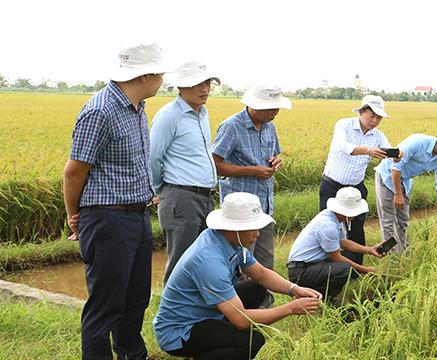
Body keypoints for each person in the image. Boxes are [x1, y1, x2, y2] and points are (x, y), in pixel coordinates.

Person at [62, 43, 176, 360]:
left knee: (136, 297)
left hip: (136, 215)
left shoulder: (138, 109)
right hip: (107, 219)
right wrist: (74, 215)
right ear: (144, 76)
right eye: (160, 74)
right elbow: (74, 171)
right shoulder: (100, 111)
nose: (163, 80)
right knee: (105, 305)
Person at [153, 192, 322, 360]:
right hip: (180, 332)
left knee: (256, 288)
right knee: (252, 342)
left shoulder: (228, 242)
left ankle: (218, 339)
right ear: (233, 228)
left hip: (204, 313)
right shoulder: (209, 261)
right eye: (252, 228)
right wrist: (290, 309)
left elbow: (260, 273)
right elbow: (241, 320)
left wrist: (294, 289)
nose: (258, 234)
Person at [149, 61, 220, 281]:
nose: (205, 89)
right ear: (181, 87)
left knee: (204, 258)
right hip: (180, 197)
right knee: (181, 261)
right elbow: (153, 157)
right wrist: (161, 189)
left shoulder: (203, 113)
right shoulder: (169, 115)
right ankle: (172, 313)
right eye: (198, 84)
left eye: (207, 82)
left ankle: (197, 312)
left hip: (204, 196)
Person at [211, 86, 292, 270]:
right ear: (254, 106)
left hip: (264, 207)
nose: (276, 113)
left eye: (277, 108)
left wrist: (276, 162)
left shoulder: (270, 127)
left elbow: (274, 155)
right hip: (240, 213)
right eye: (271, 108)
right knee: (242, 265)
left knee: (265, 263)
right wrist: (252, 171)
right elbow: (214, 165)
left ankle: (265, 299)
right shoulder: (231, 126)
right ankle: (239, 300)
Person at [319, 95, 393, 265]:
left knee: (357, 226)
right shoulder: (344, 125)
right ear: (361, 112)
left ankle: (356, 267)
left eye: (378, 117)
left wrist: (396, 155)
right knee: (329, 225)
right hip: (332, 185)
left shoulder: (378, 135)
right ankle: (327, 266)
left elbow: (388, 150)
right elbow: (342, 146)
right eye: (371, 116)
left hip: (356, 187)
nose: (374, 121)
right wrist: (368, 150)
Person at [374, 132, 437, 254]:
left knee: (403, 220)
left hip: (404, 181)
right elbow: (395, 167)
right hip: (387, 176)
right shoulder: (418, 142)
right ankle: (391, 258)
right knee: (388, 220)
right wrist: (398, 194)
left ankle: (404, 254)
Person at [287, 187, 385, 300]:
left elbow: (342, 242)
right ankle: (315, 297)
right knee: (344, 268)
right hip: (301, 271)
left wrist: (370, 250)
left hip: (312, 264)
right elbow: (336, 257)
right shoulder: (328, 226)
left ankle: (320, 295)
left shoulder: (334, 217)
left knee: (350, 256)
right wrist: (365, 270)